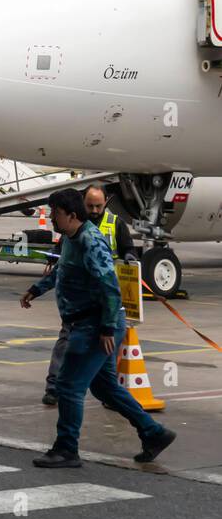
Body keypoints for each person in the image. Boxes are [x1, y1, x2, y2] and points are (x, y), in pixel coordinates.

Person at [20, 188, 175, 467]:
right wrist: (36, 289)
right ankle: (154, 433)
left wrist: (105, 328)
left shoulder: (91, 241)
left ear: (70, 214)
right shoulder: (70, 238)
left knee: (68, 386)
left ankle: (67, 449)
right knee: (105, 388)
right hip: (87, 323)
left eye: (55, 213)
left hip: (94, 326)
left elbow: (110, 288)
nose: (52, 218)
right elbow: (62, 270)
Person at [40, 185, 137, 405]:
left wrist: (108, 327)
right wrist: (39, 287)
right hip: (82, 308)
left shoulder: (106, 228)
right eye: (90, 206)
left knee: (74, 387)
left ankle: (63, 393)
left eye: (98, 206)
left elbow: (127, 249)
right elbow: (62, 262)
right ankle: (149, 428)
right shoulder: (71, 231)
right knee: (102, 381)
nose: (94, 210)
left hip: (99, 308)